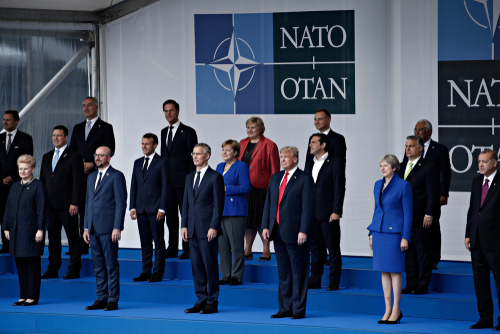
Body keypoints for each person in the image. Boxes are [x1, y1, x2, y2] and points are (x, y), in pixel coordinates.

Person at [262, 146, 315, 319]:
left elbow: (308, 208)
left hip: (296, 233)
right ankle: (285, 308)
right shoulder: (276, 177)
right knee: (283, 273)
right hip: (277, 232)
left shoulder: (305, 179)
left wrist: (303, 230)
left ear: (295, 159)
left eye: (286, 157)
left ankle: (298, 309)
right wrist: (265, 226)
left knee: (298, 272)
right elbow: (269, 204)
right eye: (281, 156)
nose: (282, 159)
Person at [367, 154, 412, 324]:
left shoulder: (403, 185)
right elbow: (377, 210)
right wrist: (371, 233)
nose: (382, 168)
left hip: (395, 234)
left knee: (395, 270)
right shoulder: (377, 184)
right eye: (381, 165)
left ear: (394, 167)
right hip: (379, 232)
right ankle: (387, 310)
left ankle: (396, 310)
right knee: (383, 271)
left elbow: (408, 214)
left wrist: (405, 237)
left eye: (386, 165)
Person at [181, 143, 224, 314]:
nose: (195, 156)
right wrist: (183, 225)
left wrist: (214, 226)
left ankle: (212, 302)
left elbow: (218, 206)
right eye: (193, 153)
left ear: (207, 156)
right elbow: (185, 204)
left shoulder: (215, 177)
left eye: (198, 154)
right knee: (196, 266)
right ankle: (201, 299)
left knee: (210, 265)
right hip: (191, 230)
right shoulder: (189, 176)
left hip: (208, 231)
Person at [69, 97, 115, 255]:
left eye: (89, 105)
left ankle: (92, 242)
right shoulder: (77, 127)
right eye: (83, 105)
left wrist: (94, 165)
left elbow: (110, 150)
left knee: (92, 207)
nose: (86, 108)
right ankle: (79, 244)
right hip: (79, 176)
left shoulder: (106, 127)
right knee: (79, 206)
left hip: (97, 175)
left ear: (96, 107)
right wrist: (77, 166)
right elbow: (72, 151)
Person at [83, 146, 127, 311]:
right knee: (98, 265)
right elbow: (88, 203)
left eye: (101, 155)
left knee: (111, 264)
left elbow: (121, 204)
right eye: (96, 155)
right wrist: (86, 227)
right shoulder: (92, 176)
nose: (97, 158)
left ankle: (113, 299)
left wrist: (118, 227)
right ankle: (101, 297)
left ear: (109, 158)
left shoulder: (116, 176)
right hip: (93, 229)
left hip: (109, 229)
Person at [2, 154, 49, 306]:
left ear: (32, 169)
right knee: (20, 266)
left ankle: (32, 297)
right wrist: (6, 227)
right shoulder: (15, 186)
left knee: (32, 266)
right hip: (16, 232)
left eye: (26, 169)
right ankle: (23, 296)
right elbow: (8, 208)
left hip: (32, 232)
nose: (22, 171)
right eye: (20, 169)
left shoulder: (38, 186)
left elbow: (42, 209)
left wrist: (41, 229)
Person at [403, 119, 451, 270]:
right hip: (415, 198)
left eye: (420, 130)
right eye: (416, 129)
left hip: (432, 196)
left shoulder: (440, 149)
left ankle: (434, 258)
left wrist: (443, 193)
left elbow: (446, 173)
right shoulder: (410, 150)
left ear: (429, 132)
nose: (417, 132)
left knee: (432, 226)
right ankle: (418, 259)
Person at [40, 126, 83, 280]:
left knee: (73, 238)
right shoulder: (46, 156)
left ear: (66, 137)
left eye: (59, 135)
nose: (56, 138)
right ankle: (53, 268)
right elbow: (42, 182)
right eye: (54, 135)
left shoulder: (74, 156)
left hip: (68, 206)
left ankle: (74, 268)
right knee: (53, 239)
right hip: (50, 206)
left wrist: (74, 202)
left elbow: (78, 182)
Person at [399, 136, 439, 295]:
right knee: (408, 252)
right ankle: (411, 282)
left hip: (421, 217)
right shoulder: (401, 167)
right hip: (404, 219)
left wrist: (429, 213)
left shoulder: (429, 167)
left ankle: (423, 284)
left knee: (423, 253)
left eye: (411, 146)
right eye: (406, 146)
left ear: (420, 148)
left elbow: (433, 194)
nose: (407, 149)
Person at [304, 133, 345, 291]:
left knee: (332, 247)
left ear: (323, 145)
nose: (310, 145)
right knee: (315, 248)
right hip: (311, 213)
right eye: (310, 142)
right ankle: (315, 278)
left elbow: (339, 188)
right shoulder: (309, 164)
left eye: (313, 142)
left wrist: (336, 211)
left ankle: (334, 280)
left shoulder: (335, 162)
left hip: (329, 214)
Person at [465, 150, 500, 330]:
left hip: (496, 242)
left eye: (484, 161)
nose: (480, 165)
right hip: (477, 241)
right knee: (480, 283)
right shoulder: (476, 181)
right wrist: (468, 233)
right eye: (479, 161)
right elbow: (472, 210)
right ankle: (485, 318)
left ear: (494, 163)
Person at [161, 99, 198, 260]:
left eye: (171, 110)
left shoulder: (188, 132)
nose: (168, 113)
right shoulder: (163, 132)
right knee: (170, 217)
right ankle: (172, 247)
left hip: (184, 182)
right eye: (166, 111)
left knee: (186, 216)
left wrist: (191, 181)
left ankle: (188, 248)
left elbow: (193, 159)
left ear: (177, 111)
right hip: (168, 182)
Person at [239, 117, 279, 261]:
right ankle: (248, 249)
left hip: (262, 189)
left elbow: (275, 171)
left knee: (262, 221)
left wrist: (274, 190)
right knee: (248, 220)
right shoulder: (242, 143)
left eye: (253, 127)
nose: (250, 130)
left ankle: (266, 250)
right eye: (248, 127)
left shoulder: (269, 145)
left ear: (260, 128)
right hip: (244, 189)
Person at [130, 133, 169, 283]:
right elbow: (134, 185)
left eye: (147, 144)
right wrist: (132, 206)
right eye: (142, 144)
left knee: (159, 242)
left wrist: (162, 208)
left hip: (156, 209)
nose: (144, 146)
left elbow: (165, 187)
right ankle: (146, 271)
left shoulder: (162, 162)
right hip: (140, 209)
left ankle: (158, 272)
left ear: (155, 145)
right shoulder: (137, 162)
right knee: (145, 242)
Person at [215, 140, 251, 286]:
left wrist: (226, 188)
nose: (224, 152)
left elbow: (245, 187)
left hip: (235, 210)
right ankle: (225, 274)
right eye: (223, 149)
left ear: (236, 152)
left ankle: (236, 275)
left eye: (228, 150)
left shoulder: (241, 166)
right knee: (222, 246)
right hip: (219, 210)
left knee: (236, 246)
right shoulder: (219, 166)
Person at [0, 110, 33, 253]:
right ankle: (6, 244)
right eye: (4, 119)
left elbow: (27, 160)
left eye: (8, 120)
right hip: (1, 185)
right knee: (3, 214)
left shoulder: (25, 139)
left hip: (18, 184)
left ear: (16, 122)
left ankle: (18, 243)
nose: (5, 122)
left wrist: (13, 177)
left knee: (18, 214)